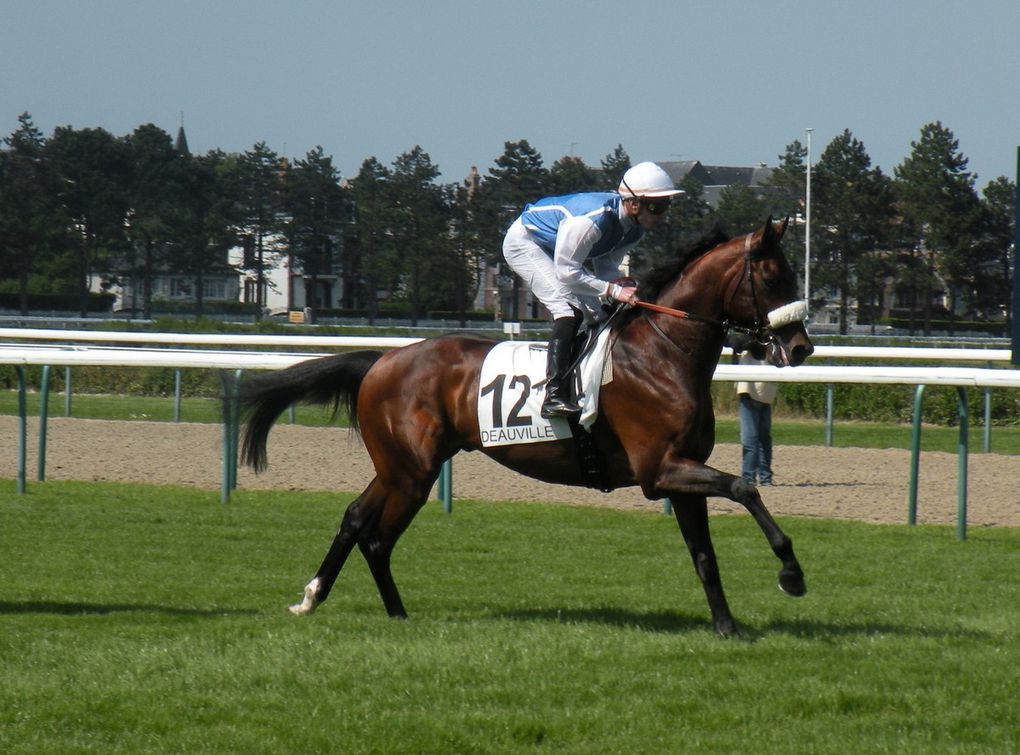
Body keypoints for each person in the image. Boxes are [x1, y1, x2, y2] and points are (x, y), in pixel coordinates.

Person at [502, 161, 683, 418]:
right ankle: (553, 395)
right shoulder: (590, 221)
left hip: (559, 253)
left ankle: (587, 384)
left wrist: (621, 283)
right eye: (657, 206)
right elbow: (567, 272)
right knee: (569, 311)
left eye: (666, 205)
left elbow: (605, 264)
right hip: (526, 243)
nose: (663, 213)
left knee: (600, 314)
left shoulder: (634, 230)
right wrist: (612, 289)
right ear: (633, 203)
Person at [735, 344, 778, 485]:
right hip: (765, 387)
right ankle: (764, 478)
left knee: (753, 440)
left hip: (752, 388)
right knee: (760, 439)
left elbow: (737, 343)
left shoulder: (750, 335)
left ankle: (749, 478)